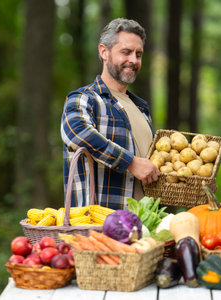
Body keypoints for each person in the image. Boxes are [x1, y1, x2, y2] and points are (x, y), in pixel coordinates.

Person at [61, 18, 160, 210]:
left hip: (144, 229)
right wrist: (129, 162)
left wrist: (198, 183)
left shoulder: (141, 108)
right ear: (104, 52)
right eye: (126, 52)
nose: (133, 60)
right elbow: (77, 133)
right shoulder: (84, 98)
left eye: (138, 54)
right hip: (98, 229)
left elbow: (149, 170)